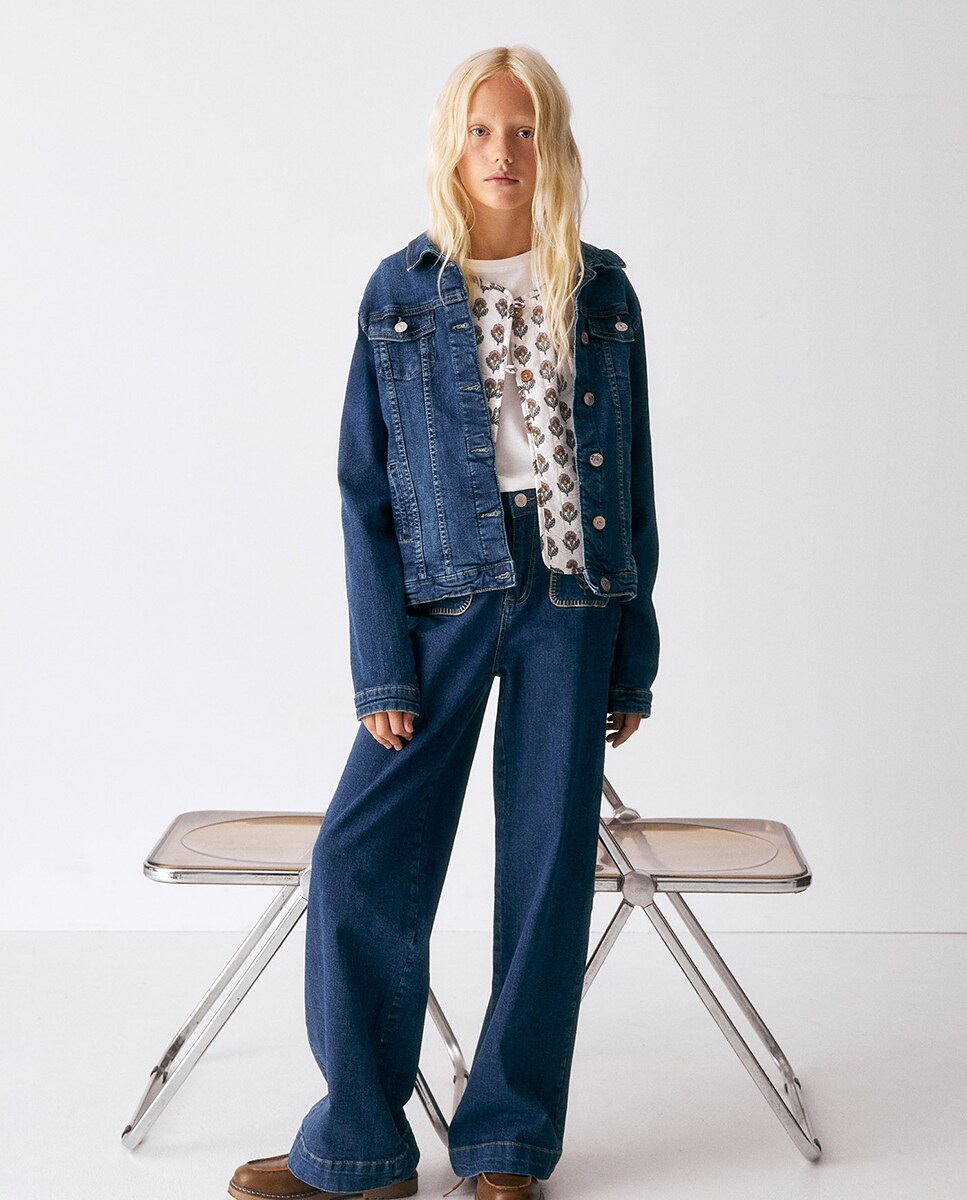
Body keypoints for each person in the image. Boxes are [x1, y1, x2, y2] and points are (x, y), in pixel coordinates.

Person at [228, 43, 659, 1200]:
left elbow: (633, 481)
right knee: (357, 854)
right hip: (444, 593)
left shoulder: (601, 291)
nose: (501, 151)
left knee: (548, 870)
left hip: (572, 593)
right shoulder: (402, 290)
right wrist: (383, 667)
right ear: (451, 146)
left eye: (523, 131)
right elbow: (362, 490)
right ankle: (360, 1145)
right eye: (481, 130)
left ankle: (508, 1145)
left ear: (551, 148)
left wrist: (635, 655)